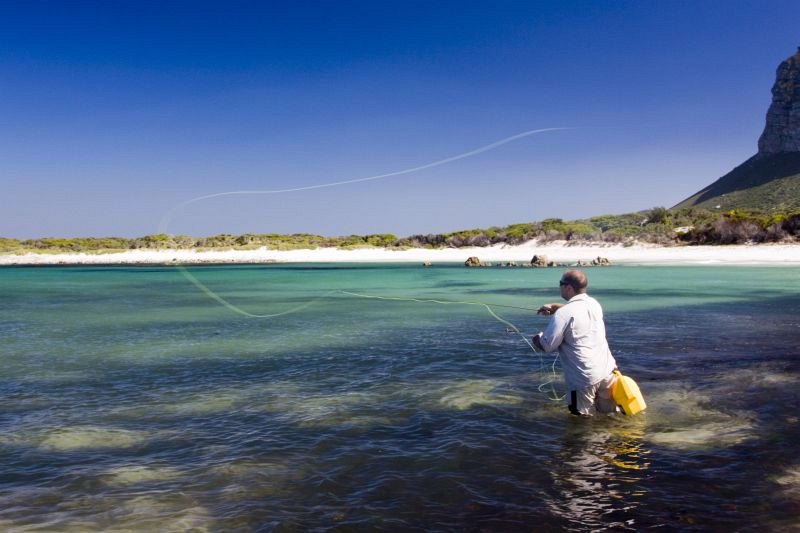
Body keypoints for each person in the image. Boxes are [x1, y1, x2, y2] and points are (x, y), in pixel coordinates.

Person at [532, 269, 618, 416]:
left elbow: (547, 346)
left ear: (569, 288)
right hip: (607, 372)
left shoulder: (563, 314)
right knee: (609, 417)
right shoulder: (594, 303)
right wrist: (555, 308)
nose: (559, 286)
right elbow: (576, 311)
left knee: (581, 422)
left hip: (583, 378)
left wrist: (536, 338)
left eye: (561, 284)